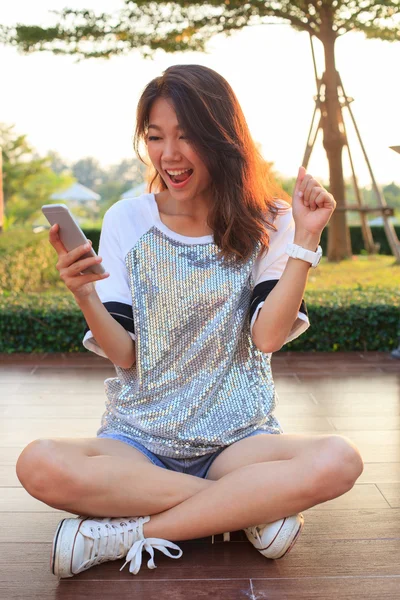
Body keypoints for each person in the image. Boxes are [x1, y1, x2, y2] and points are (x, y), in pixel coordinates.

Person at [16, 64, 363, 578]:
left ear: (222, 139)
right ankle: (249, 510)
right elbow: (124, 354)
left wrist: (305, 242)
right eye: (155, 137)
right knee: (36, 463)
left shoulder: (273, 220)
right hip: (137, 441)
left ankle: (131, 533)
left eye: (187, 136)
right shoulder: (126, 219)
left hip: (239, 441)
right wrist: (85, 292)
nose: (169, 154)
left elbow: (267, 337)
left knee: (341, 459)